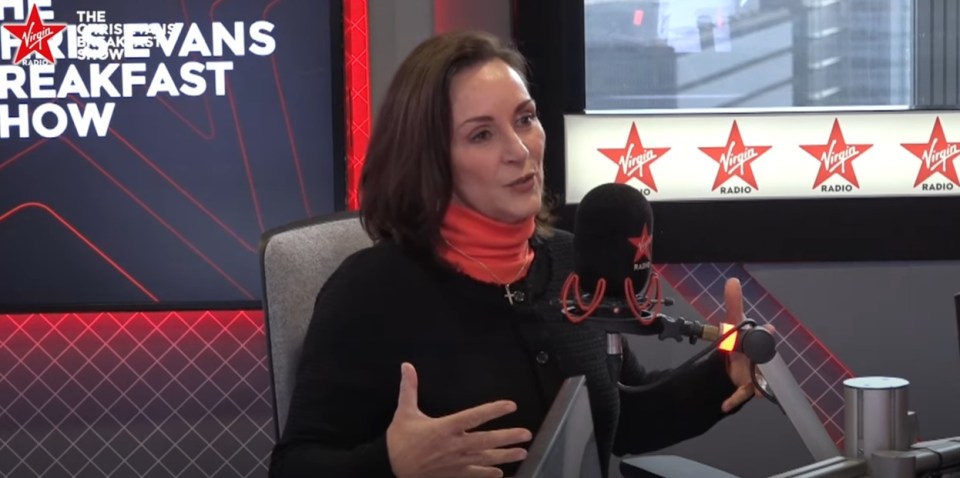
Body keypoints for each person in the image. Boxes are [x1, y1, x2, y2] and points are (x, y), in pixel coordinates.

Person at [268, 30, 764, 478]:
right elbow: (295, 466)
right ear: (431, 161)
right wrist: (392, 463)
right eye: (482, 134)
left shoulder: (574, 262)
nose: (520, 150)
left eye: (525, 119)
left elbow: (621, 419)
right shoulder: (371, 292)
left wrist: (721, 374)